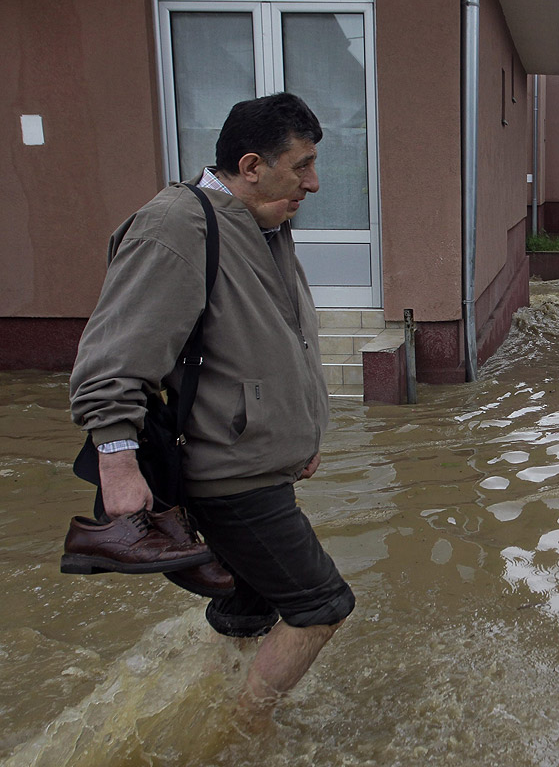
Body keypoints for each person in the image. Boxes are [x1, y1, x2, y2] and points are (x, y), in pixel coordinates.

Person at [69, 92, 355, 717]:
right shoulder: (176, 225)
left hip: (259, 464)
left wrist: (299, 439)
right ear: (251, 166)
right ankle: (239, 740)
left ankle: (203, 698)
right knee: (321, 606)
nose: (314, 182)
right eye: (301, 166)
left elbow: (264, 347)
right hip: (229, 477)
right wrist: (117, 465)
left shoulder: (266, 221)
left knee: (250, 608)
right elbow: (115, 357)